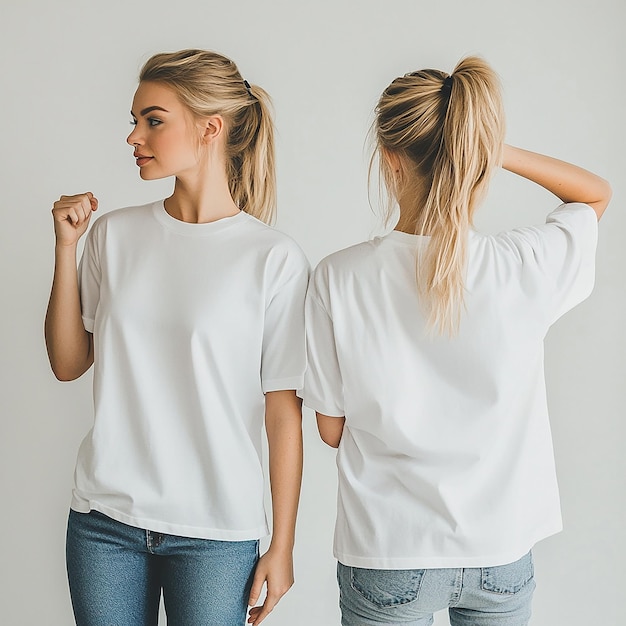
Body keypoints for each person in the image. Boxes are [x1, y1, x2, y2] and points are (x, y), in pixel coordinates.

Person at [301, 56, 611, 626]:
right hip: (499, 546)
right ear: (472, 156)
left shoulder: (337, 277)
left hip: (388, 550)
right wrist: (488, 150)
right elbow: (594, 196)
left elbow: (329, 428)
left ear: (389, 158)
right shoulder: (523, 265)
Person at [44, 49, 308, 626]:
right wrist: (67, 250)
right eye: (135, 120)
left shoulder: (273, 258)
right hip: (104, 522)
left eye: (153, 119)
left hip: (215, 533)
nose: (134, 135)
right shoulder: (112, 235)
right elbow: (68, 364)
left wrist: (282, 545)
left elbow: (283, 411)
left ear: (210, 127)